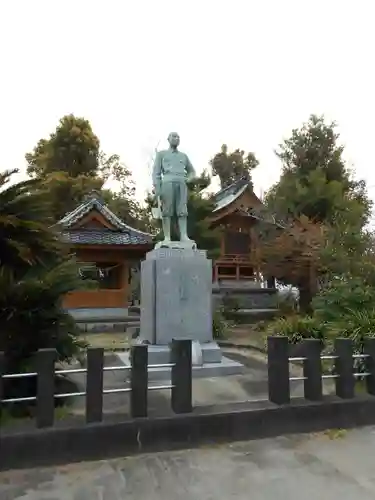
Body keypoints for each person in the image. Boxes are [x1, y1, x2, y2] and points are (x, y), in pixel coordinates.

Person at [152, 132, 196, 245]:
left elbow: (192, 171)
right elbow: (156, 173)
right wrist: (157, 188)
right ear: (168, 139)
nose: (176, 139)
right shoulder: (162, 154)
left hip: (181, 182)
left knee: (182, 210)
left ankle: (184, 236)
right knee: (167, 210)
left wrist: (189, 179)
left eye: (178, 137)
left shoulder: (183, 156)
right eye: (174, 136)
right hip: (167, 183)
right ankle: (167, 237)